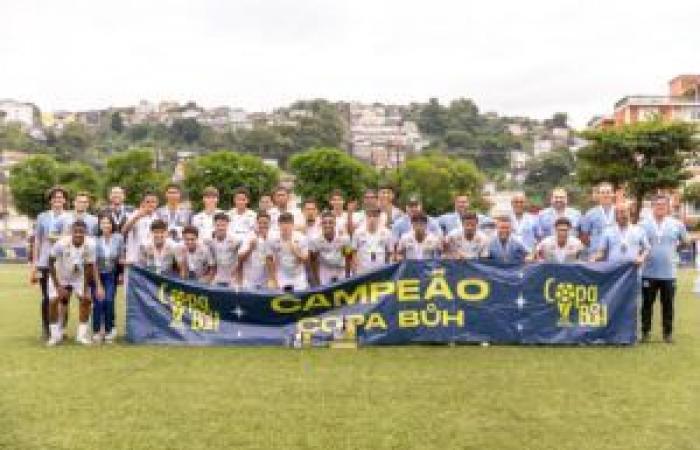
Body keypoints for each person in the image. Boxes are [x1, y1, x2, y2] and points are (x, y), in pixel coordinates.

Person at [639, 195, 689, 343]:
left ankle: (667, 334)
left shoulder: (677, 224)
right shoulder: (643, 224)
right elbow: (638, 244)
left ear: (668, 207)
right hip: (648, 271)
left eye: (663, 205)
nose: (660, 207)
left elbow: (685, 241)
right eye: (657, 204)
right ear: (652, 206)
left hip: (669, 273)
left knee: (668, 305)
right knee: (647, 305)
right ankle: (645, 332)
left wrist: (674, 251)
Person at [46, 220, 102, 346]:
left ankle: (81, 336)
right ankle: (55, 336)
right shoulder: (61, 243)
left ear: (85, 232)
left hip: (78, 276)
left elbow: (89, 267)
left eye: (81, 232)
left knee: (86, 300)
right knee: (53, 301)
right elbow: (50, 262)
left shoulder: (91, 245)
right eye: (75, 231)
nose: (78, 234)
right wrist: (58, 286)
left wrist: (85, 289)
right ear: (71, 232)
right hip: (60, 275)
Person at [31, 186, 72, 340]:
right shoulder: (42, 217)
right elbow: (37, 240)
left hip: (62, 263)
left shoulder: (69, 217)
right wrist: (35, 263)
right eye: (54, 197)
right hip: (44, 262)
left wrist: (59, 238)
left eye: (60, 197)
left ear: (65, 200)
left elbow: (70, 238)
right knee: (46, 297)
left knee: (63, 297)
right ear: (50, 200)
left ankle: (61, 328)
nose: (58, 200)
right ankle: (46, 328)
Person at [91, 215, 124, 344]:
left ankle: (110, 330)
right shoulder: (95, 241)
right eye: (103, 223)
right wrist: (98, 285)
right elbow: (94, 264)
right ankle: (97, 331)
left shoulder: (118, 238)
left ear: (112, 225)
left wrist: (121, 273)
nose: (106, 225)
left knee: (109, 301)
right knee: (99, 302)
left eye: (108, 223)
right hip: (97, 275)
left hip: (111, 275)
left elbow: (120, 257)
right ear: (99, 225)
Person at [266, 212, 309, 291]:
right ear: (278, 225)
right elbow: (269, 259)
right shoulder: (272, 239)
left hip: (299, 276)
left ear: (292, 224)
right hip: (282, 276)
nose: (285, 226)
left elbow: (306, 259)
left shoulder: (301, 238)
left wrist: (296, 252)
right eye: (282, 223)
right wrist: (273, 279)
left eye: (288, 223)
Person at [309, 212, 353, 285]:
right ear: (321, 224)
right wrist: (317, 281)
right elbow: (313, 261)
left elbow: (348, 257)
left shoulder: (344, 238)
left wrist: (347, 277)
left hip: (341, 270)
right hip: (325, 271)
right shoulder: (315, 240)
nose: (327, 225)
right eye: (325, 223)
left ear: (335, 223)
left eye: (330, 222)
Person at [122, 191, 159, 269]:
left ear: (157, 203)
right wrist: (137, 217)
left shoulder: (157, 218)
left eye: (153, 202)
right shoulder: (135, 214)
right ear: (143, 203)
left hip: (150, 259)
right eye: (148, 202)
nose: (150, 204)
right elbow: (124, 231)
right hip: (134, 259)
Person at [351, 207, 394, 274]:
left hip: (380, 272)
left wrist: (388, 270)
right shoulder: (358, 232)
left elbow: (390, 253)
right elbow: (354, 252)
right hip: (362, 272)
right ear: (366, 217)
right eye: (369, 216)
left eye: (375, 216)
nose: (372, 219)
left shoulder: (387, 233)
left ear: (379, 217)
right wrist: (355, 268)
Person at [205, 212, 242, 287]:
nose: (220, 228)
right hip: (218, 277)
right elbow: (212, 265)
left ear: (228, 225)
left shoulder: (237, 241)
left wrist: (238, 279)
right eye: (218, 225)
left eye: (223, 225)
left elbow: (241, 262)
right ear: (213, 225)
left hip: (233, 278)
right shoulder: (209, 241)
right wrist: (208, 280)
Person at [238, 212, 273, 290]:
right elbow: (240, 258)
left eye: (265, 223)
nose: (262, 225)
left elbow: (274, 261)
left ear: (270, 224)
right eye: (260, 223)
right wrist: (250, 249)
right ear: (256, 223)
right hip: (248, 282)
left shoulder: (274, 237)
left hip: (266, 282)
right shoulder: (249, 236)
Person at [580, 182, 616, 256]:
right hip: (596, 254)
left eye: (608, 192)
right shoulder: (590, 213)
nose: (605, 195)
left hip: (614, 253)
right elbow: (584, 236)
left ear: (613, 194)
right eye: (602, 193)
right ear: (598, 195)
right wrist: (593, 247)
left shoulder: (619, 211)